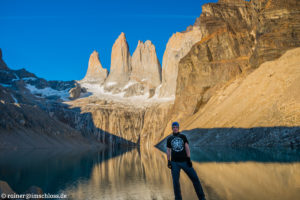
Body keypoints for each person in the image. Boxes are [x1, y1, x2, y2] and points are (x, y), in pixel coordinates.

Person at [167, 121, 206, 200]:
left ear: (178, 128)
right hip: (174, 163)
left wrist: (188, 159)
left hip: (185, 161)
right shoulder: (169, 139)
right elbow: (168, 150)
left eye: (176, 127)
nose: (175, 128)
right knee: (176, 183)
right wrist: (168, 161)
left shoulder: (183, 136)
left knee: (195, 178)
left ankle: (202, 198)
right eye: (173, 127)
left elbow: (187, 147)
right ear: (172, 128)